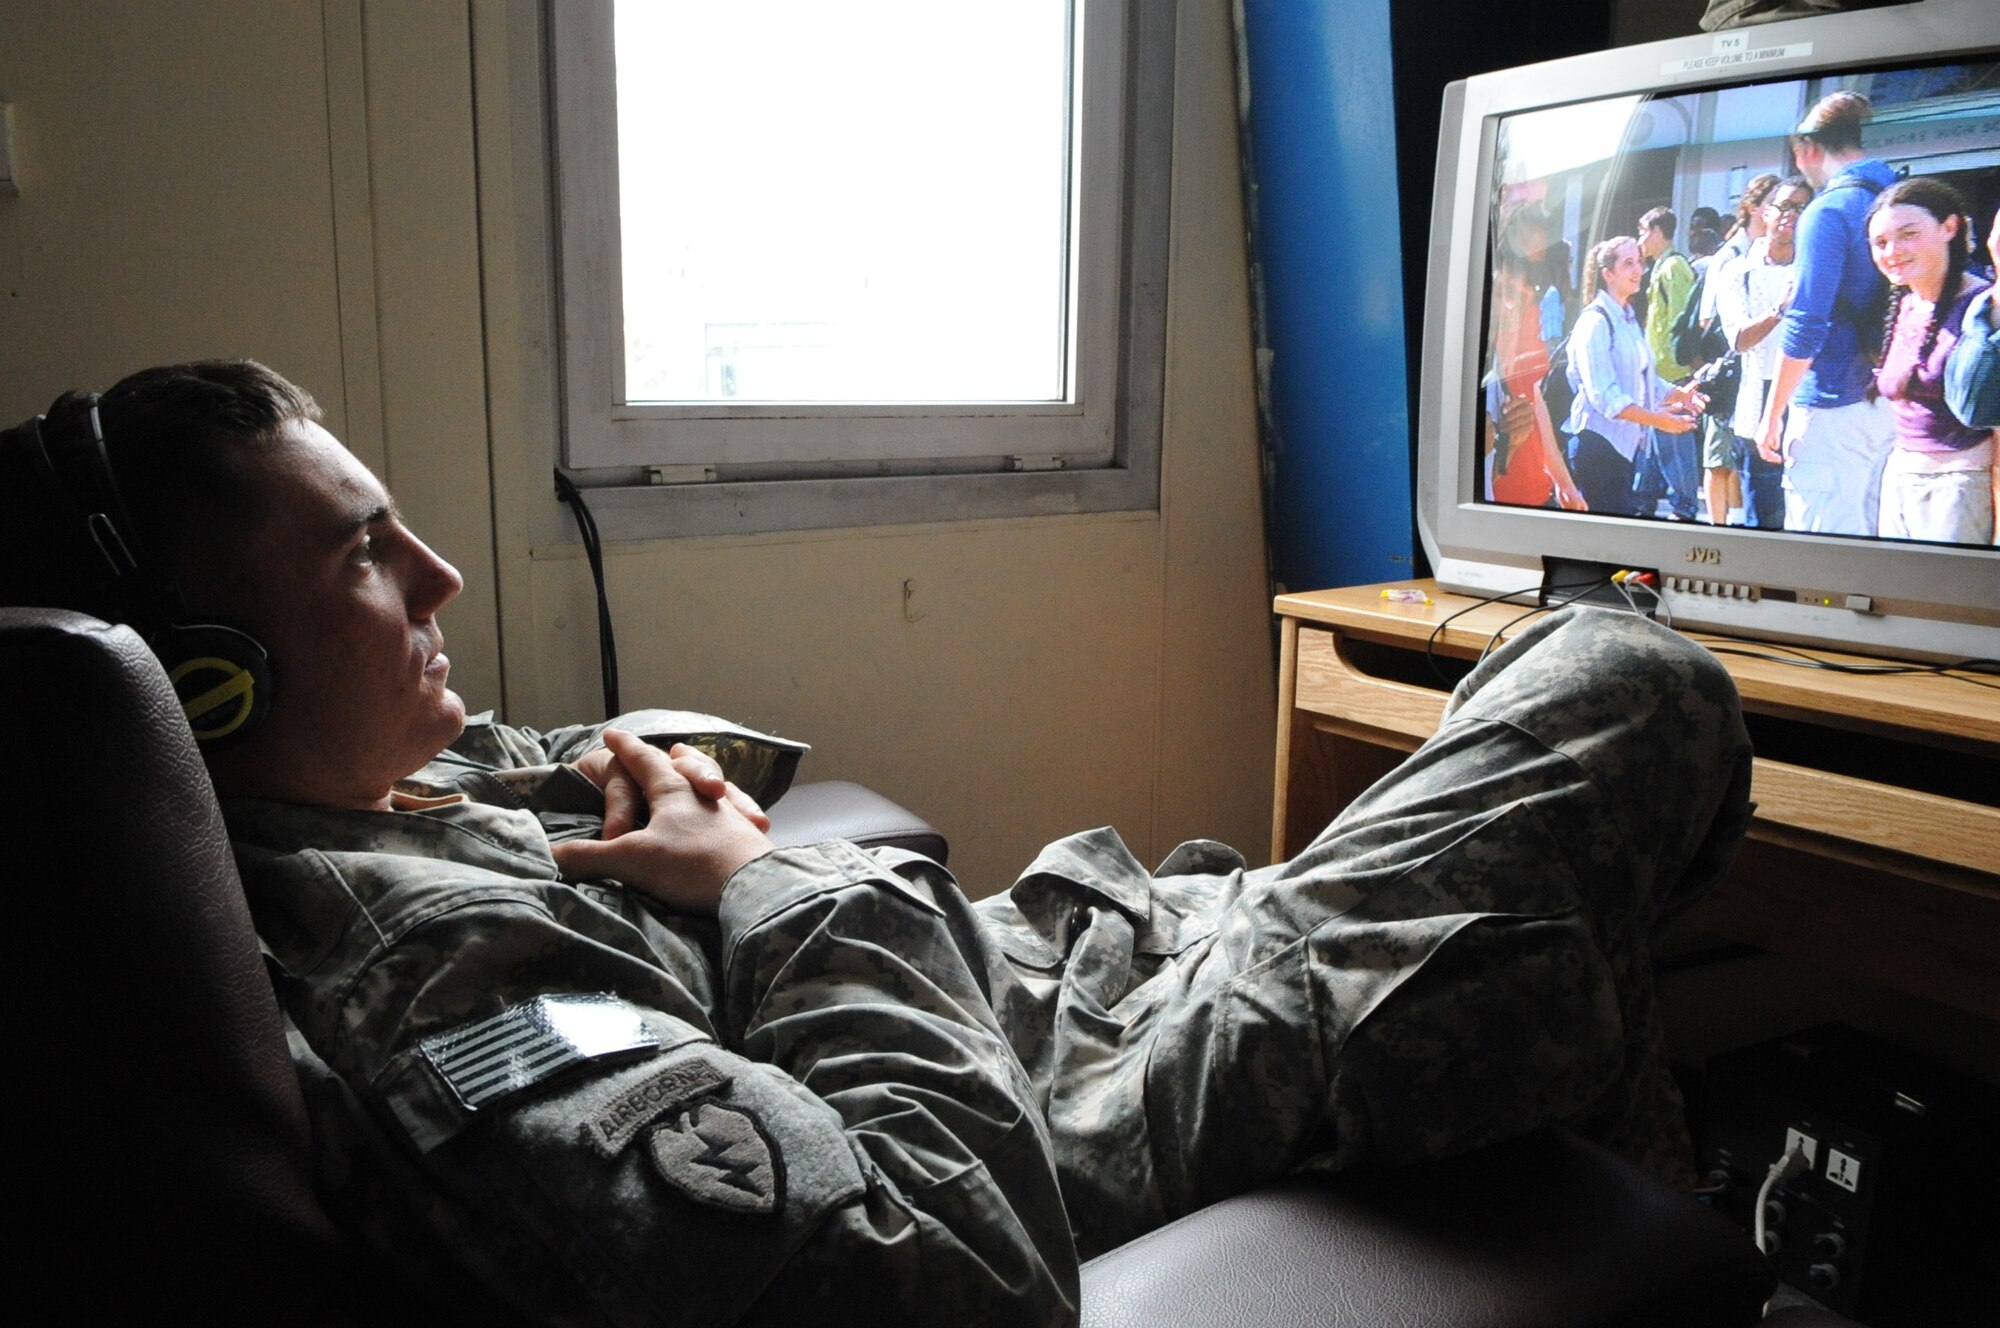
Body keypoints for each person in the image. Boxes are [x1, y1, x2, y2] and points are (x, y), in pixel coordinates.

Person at [0, 362, 1755, 1327]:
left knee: (1520, 945)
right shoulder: (437, 997)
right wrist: (762, 877)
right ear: (211, 692)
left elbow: (675, 780)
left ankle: (1642, 1196)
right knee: (1623, 675)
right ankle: (1661, 1207)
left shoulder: (390, 785)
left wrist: (641, 790)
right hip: (1072, 1104)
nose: (444, 577)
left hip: (1058, 970)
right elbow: (961, 1272)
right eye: (364, 560)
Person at [1753, 90, 1898, 535]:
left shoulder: (1827, 210)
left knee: (1822, 558)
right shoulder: (1899, 199)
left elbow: (1806, 325)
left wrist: (1771, 412)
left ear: (1807, 148)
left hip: (1833, 404)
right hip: (1890, 404)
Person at [1865, 178, 1995, 545]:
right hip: (1900, 478)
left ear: (1949, 227)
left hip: (1961, 485)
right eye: (1881, 242)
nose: (1893, 251)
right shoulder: (1906, 304)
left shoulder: (1985, 308)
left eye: (1908, 234)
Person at [1564, 238, 1707, 514]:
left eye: (1639, 262)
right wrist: (1658, 421)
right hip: (1596, 448)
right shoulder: (1595, 322)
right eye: (1628, 263)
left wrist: (1680, 395)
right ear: (1608, 274)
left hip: (1621, 453)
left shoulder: (1626, 317)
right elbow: (1605, 398)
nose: (1638, 269)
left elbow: (1645, 380)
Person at [1716, 177, 1816, 532]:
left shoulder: (1816, 269)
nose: (1792, 215)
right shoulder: (1737, 271)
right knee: (1765, 513)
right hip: (1759, 400)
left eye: (1803, 209)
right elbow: (1738, 339)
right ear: (1767, 213)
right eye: (1785, 206)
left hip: (1807, 398)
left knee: (1807, 510)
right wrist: (1779, 310)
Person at [1487, 206, 1585, 510]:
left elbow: (1536, 406)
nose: (1528, 285)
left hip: (1534, 493)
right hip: (1497, 504)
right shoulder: (1472, 333)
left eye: (1536, 270)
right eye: (1518, 265)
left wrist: (1563, 483)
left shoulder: (1528, 317)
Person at [1636, 207, 1703, 520]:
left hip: (1673, 374)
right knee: (1655, 441)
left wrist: (1682, 366)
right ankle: (1643, 500)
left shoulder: (1672, 268)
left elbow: (1680, 322)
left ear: (1657, 231)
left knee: (1675, 442)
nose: (1640, 240)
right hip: (1660, 373)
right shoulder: (1663, 267)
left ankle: (1685, 506)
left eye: (1643, 232)